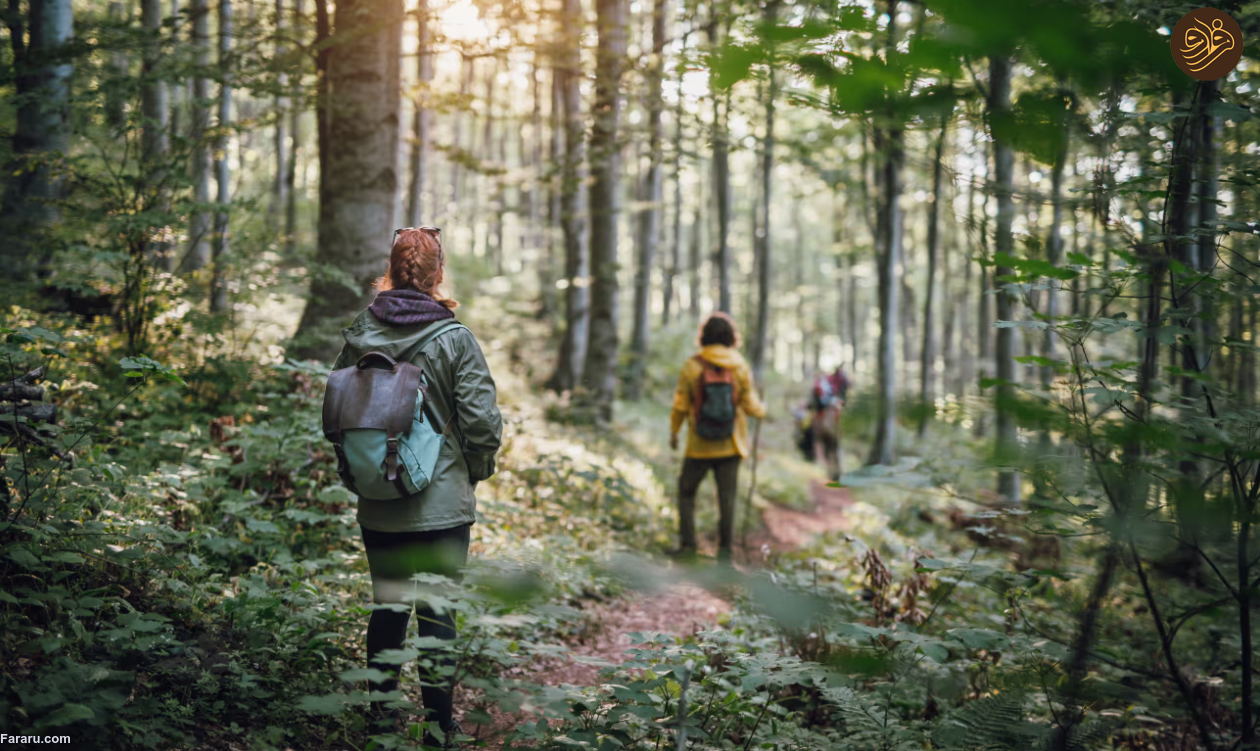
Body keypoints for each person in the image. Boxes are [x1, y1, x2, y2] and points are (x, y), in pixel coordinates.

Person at [331, 227, 502, 744]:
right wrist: (474, 468)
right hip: (442, 506)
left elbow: (339, 410)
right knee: (437, 614)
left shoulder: (362, 329)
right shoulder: (454, 338)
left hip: (377, 498)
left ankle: (379, 724)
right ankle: (439, 729)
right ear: (437, 274)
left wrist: (354, 470)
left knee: (387, 608)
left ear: (392, 268)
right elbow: (482, 424)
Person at [668, 312, 767, 562]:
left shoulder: (693, 365)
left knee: (686, 492)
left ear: (704, 335)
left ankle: (688, 547)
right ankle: (725, 556)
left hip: (699, 444)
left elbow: (680, 404)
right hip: (731, 444)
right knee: (727, 500)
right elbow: (750, 404)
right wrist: (762, 410)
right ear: (731, 337)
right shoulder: (739, 365)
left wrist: (674, 432)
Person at [809, 365, 850, 482]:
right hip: (832, 415)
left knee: (831, 447)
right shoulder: (836, 381)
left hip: (826, 416)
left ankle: (833, 471)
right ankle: (836, 471)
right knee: (835, 447)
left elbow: (816, 400)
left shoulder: (824, 382)